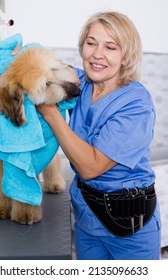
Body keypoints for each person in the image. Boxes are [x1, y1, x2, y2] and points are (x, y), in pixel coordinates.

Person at [13, 11, 161, 260]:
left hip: (129, 229)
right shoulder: (78, 83)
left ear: (126, 57)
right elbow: (45, 65)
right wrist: (17, 58)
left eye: (111, 47)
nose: (97, 54)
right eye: (91, 43)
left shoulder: (136, 104)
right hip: (87, 219)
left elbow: (91, 167)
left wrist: (50, 112)